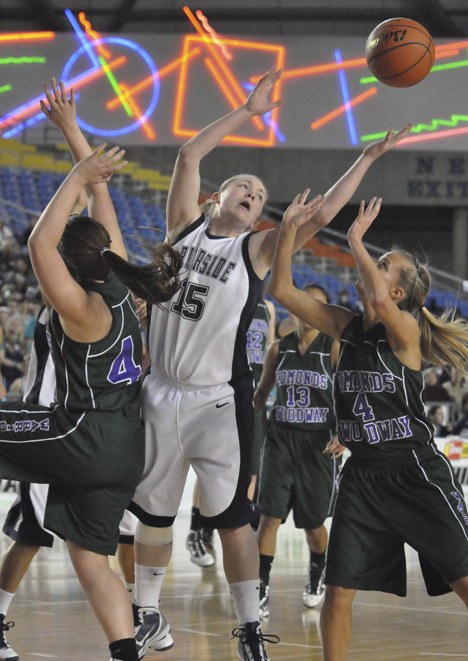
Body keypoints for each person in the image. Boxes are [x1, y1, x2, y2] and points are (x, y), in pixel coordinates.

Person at [128, 65, 411, 661]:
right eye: (245, 189)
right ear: (218, 197)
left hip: (216, 401)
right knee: (154, 518)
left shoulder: (254, 250)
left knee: (233, 520)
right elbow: (186, 154)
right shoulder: (182, 229)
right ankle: (146, 613)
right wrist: (246, 112)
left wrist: (365, 159)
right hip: (158, 390)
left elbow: (321, 213)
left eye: (259, 197)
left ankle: (249, 627)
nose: (254, 198)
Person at [0, 79, 181, 661]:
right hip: (126, 449)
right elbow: (99, 211)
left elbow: (38, 245)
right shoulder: (124, 287)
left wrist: (77, 178)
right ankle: (126, 654)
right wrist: (74, 136)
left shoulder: (81, 308)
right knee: (87, 559)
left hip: (84, 434)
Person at [268, 195, 468, 661]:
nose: (371, 268)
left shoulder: (405, 333)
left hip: (414, 470)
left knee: (463, 578)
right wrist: (286, 234)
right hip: (363, 476)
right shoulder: (347, 327)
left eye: (383, 265)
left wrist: (355, 236)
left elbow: (377, 296)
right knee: (338, 593)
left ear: (397, 293)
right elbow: (281, 290)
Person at [254, 283, 344, 621]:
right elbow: (262, 392)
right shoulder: (279, 349)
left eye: (316, 305)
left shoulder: (332, 348)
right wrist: (243, 423)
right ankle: (259, 589)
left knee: (313, 524)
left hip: (318, 445)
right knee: (269, 518)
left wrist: (347, 435)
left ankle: (317, 570)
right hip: (280, 440)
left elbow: (349, 393)